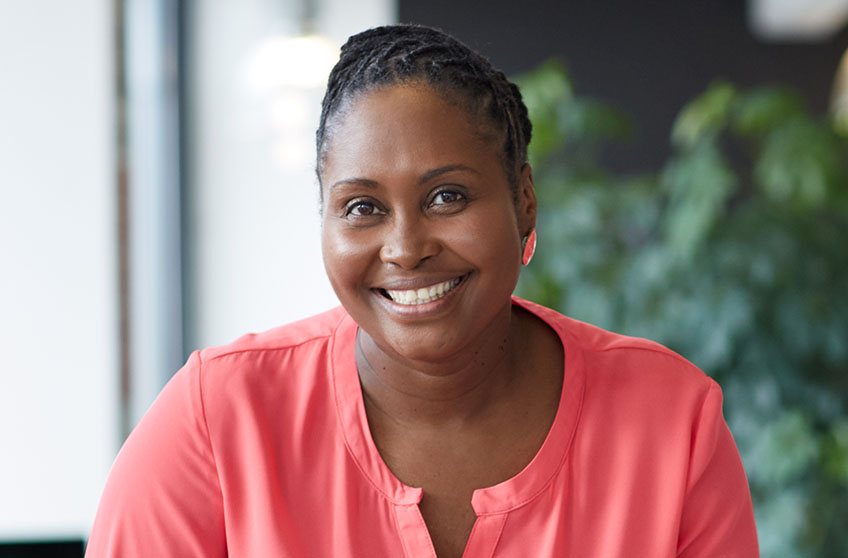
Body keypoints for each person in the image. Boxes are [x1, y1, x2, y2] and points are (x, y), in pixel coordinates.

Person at [85, 24, 759, 558]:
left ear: (524, 200)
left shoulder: (674, 425)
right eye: (362, 207)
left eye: (447, 196)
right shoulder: (216, 421)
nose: (406, 248)